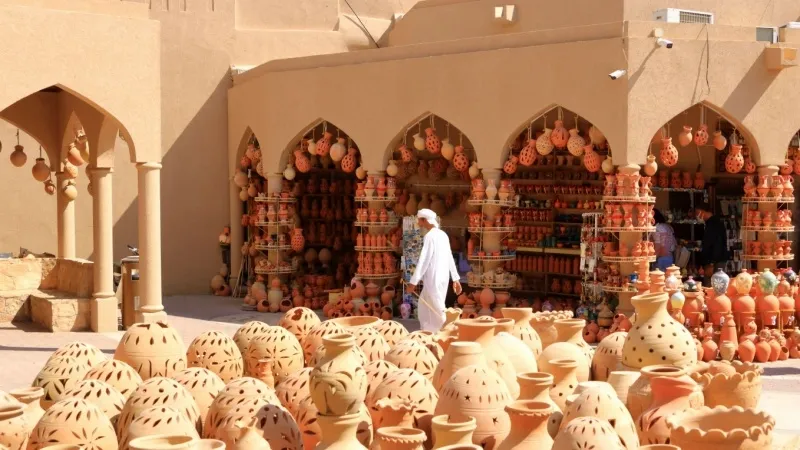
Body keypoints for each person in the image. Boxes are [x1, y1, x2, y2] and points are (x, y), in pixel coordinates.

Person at [407, 209, 462, 331]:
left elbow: (424, 260)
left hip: (433, 278)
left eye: (419, 220)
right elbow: (450, 257)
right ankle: (428, 331)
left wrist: (413, 282)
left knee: (437, 307)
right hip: (442, 277)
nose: (418, 223)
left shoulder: (430, 236)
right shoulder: (443, 235)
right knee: (424, 306)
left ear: (424, 220)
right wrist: (455, 278)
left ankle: (448, 328)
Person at [696, 203, 729, 283]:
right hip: (713, 261)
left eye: (697, 213)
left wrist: (711, 263)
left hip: (715, 262)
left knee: (713, 285)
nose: (697, 216)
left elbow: (717, 244)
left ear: (703, 212)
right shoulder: (710, 223)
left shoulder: (714, 224)